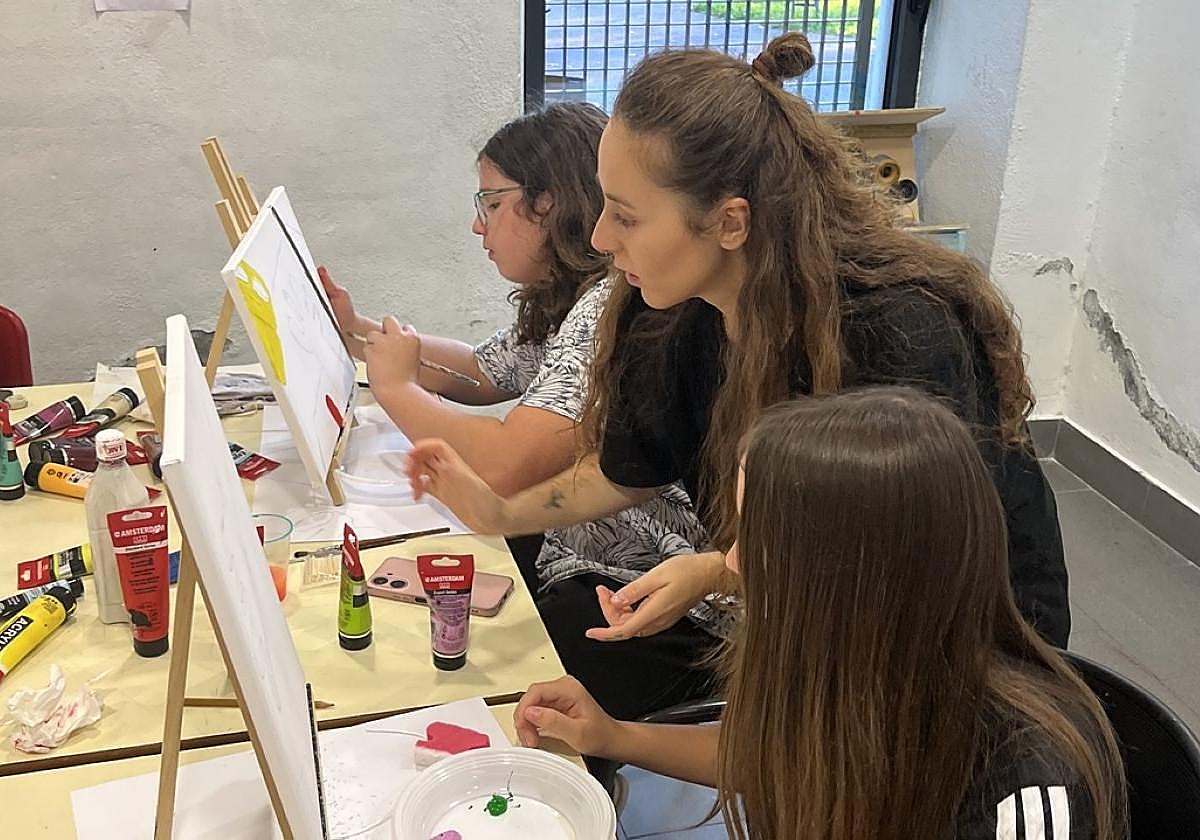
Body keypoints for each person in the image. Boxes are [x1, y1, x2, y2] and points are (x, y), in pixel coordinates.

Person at [406, 32, 1071, 648]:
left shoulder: (895, 338)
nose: (602, 238)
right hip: (815, 608)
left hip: (951, 635)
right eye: (605, 204)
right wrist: (501, 512)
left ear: (729, 222)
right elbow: (624, 474)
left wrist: (720, 573)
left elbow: (870, 561)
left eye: (628, 216)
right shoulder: (667, 310)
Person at [513, 389, 1127, 840]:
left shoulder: (1023, 781)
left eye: (755, 537)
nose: (730, 559)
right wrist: (613, 736)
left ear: (845, 577)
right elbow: (780, 756)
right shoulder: (856, 665)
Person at [322, 102, 719, 720]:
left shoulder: (613, 304)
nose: (479, 226)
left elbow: (511, 464)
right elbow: (482, 370)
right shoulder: (574, 296)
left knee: (484, 664)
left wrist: (397, 390)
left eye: (490, 202)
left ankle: (584, 778)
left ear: (549, 203)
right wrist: (364, 335)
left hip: (667, 598)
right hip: (604, 557)